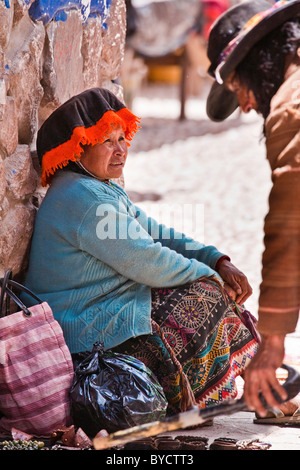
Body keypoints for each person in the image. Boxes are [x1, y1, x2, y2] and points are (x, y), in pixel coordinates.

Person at [24, 87, 258, 415]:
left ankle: (251, 385)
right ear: (79, 148)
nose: (121, 150)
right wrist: (210, 275)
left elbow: (155, 232)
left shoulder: (99, 188)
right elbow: (146, 260)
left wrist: (214, 258)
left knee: (208, 292)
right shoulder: (84, 198)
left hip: (105, 313)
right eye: (108, 141)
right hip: (82, 334)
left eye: (123, 138)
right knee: (204, 295)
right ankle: (191, 399)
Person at [206, 0, 300, 421]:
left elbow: (290, 225)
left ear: (258, 65)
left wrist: (273, 341)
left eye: (238, 88)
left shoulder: (290, 106)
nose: (244, 106)